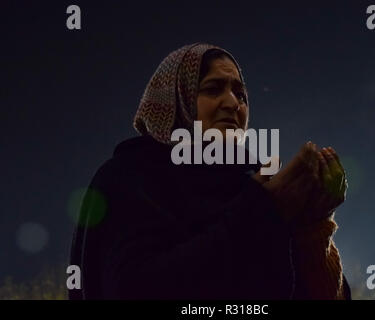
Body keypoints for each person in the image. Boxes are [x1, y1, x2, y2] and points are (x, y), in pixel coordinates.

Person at [69, 43, 351, 300]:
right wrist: (262, 207)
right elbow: (136, 290)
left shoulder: (253, 183)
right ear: (176, 99)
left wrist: (313, 229)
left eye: (240, 94)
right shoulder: (131, 177)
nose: (232, 104)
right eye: (213, 89)